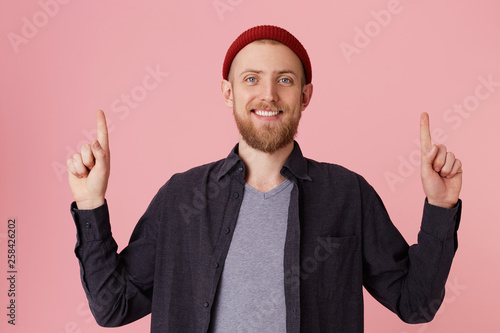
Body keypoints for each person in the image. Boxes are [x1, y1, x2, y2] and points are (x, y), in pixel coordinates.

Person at [67, 25, 462, 333]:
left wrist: (440, 208)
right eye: (251, 79)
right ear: (228, 93)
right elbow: (113, 306)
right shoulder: (180, 197)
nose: (268, 95)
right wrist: (90, 204)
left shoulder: (347, 194)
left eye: (285, 80)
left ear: (306, 95)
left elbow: (416, 305)